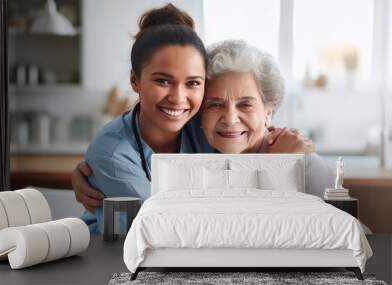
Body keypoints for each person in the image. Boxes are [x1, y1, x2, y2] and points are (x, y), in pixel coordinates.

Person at [73, 4, 315, 233]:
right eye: (163, 80)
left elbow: (251, 137)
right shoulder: (114, 152)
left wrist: (287, 153)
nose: (178, 98)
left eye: (192, 83)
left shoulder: (204, 124)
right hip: (117, 260)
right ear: (135, 81)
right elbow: (163, 226)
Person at [200, 39, 334, 196]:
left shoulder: (307, 167)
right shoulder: (200, 164)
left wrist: (281, 168)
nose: (230, 119)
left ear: (268, 112)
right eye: (215, 105)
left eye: (245, 105)